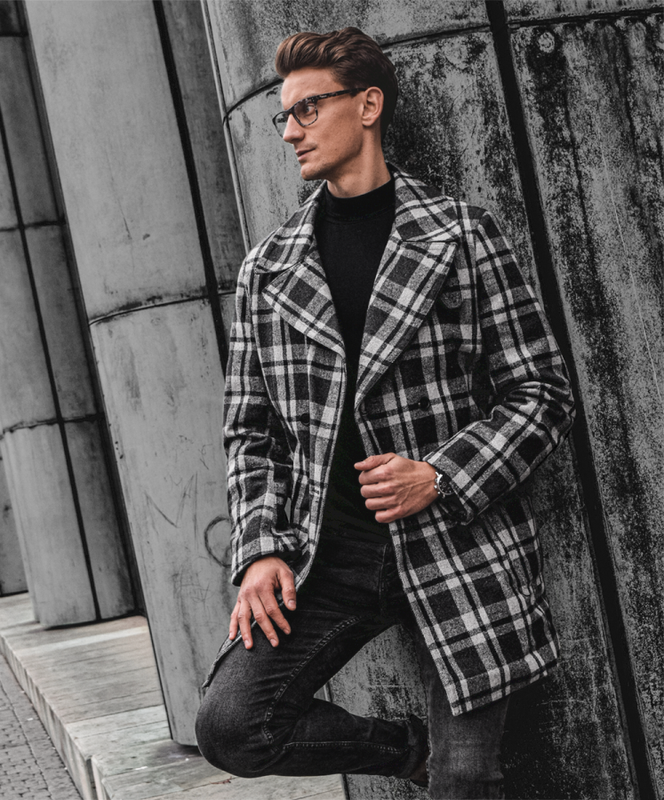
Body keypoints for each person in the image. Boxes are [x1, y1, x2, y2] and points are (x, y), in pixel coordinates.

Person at [195, 26, 575, 800]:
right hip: (329, 558)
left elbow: (542, 391)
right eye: (284, 116)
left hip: (456, 543)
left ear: (368, 105)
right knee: (231, 726)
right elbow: (251, 432)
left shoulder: (459, 235)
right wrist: (261, 550)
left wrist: (439, 475)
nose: (291, 131)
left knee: (466, 779)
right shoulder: (268, 270)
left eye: (308, 109)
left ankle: (447, 763)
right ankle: (407, 747)